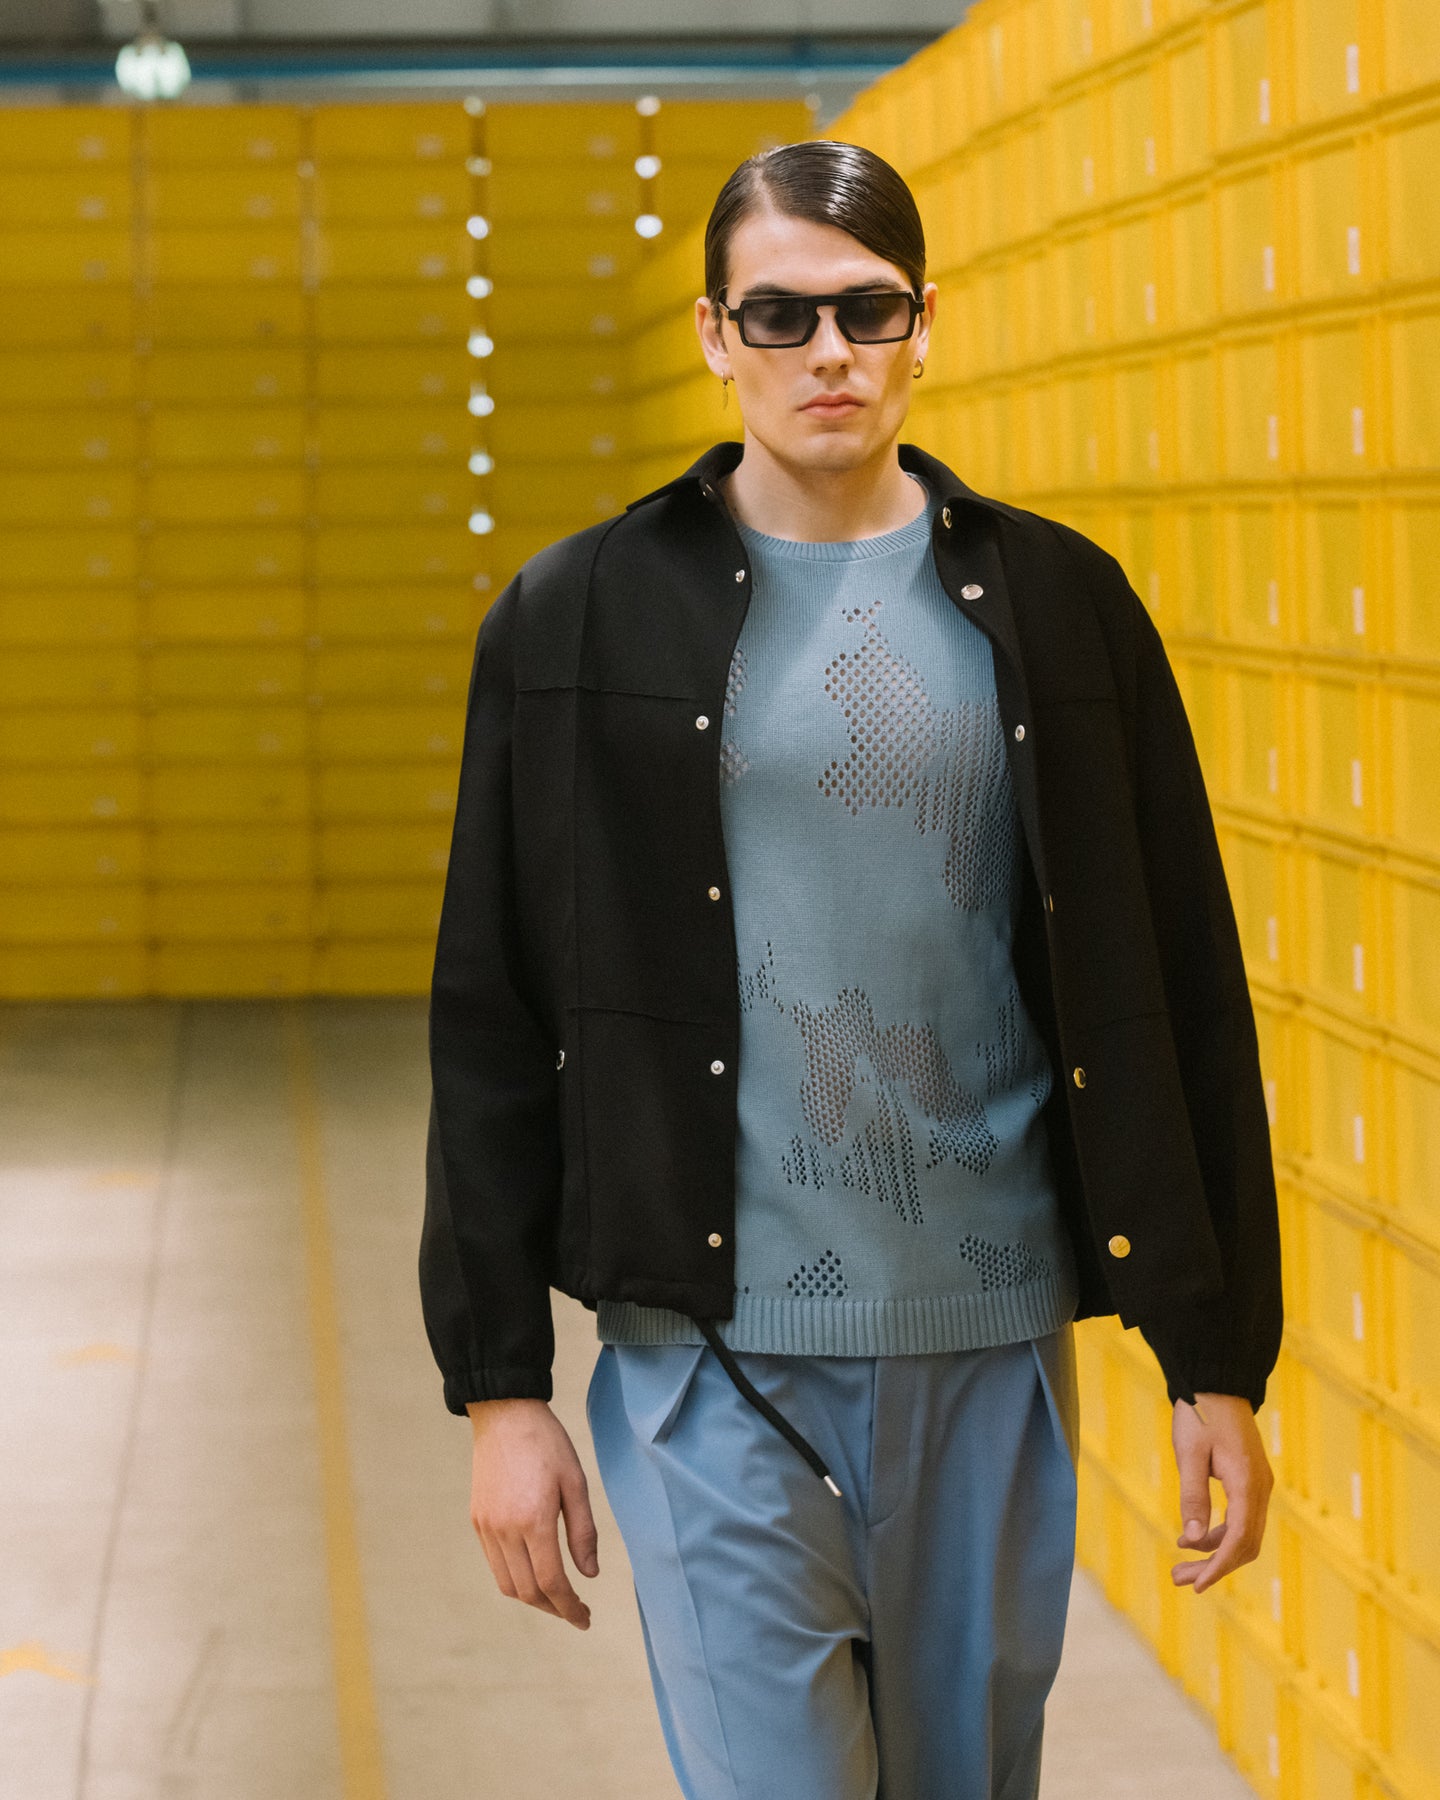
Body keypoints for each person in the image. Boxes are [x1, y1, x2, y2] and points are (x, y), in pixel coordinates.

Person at [420, 138, 1281, 1800]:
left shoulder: (1062, 608)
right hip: (709, 1356)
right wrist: (499, 1389)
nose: (828, 353)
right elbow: (493, 1018)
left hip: (991, 1339)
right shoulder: (576, 620)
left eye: (867, 312)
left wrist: (1216, 1355)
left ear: (923, 323)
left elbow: (1176, 989)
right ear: (714, 333)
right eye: (781, 315)